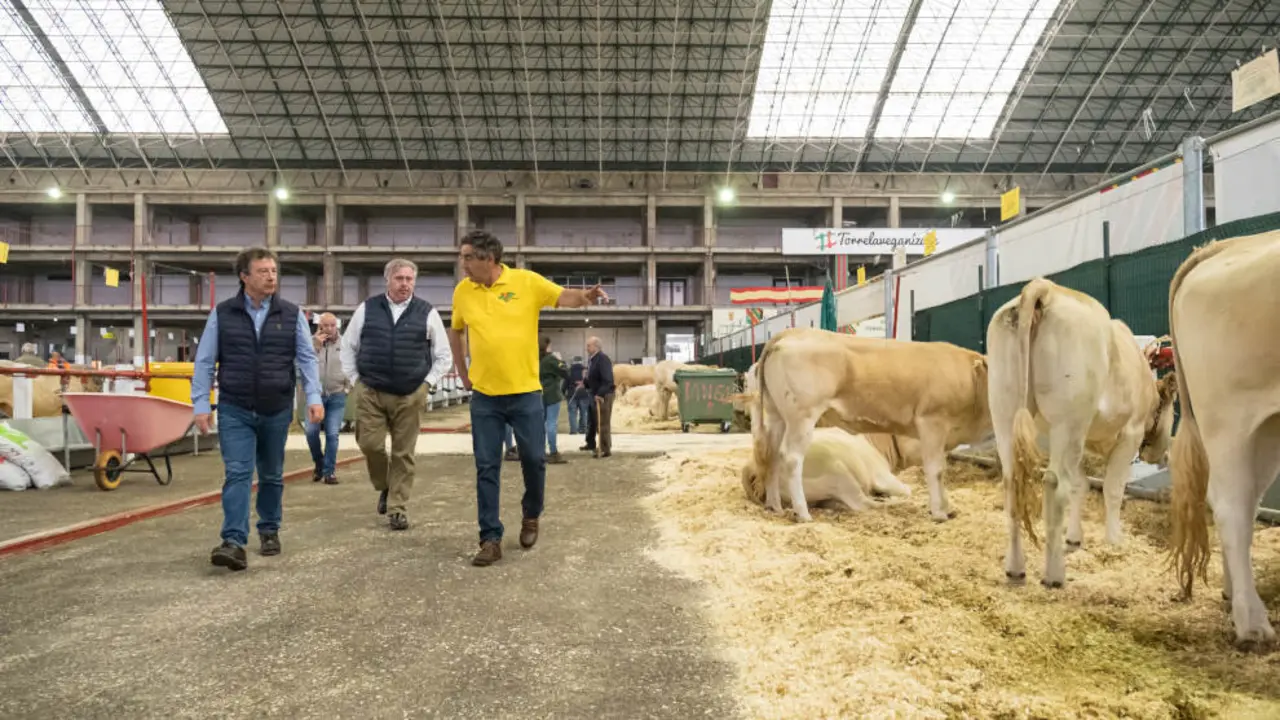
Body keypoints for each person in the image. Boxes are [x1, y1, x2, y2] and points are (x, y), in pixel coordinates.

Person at [448, 229, 607, 567]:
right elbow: (457, 330)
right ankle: (490, 538)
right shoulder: (463, 291)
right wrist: (462, 371)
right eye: (462, 257)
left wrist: (586, 296)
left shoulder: (525, 282)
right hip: (485, 397)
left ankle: (531, 515)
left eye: (468, 257)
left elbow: (562, 296)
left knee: (534, 460)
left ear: (489, 258)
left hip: (525, 394)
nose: (463, 264)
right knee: (486, 466)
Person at [192, 247, 323, 572]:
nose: (271, 277)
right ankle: (234, 541)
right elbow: (205, 361)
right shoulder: (222, 314)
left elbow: (306, 358)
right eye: (263, 271)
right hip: (235, 407)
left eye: (274, 271)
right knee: (238, 472)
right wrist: (201, 404)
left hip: (275, 407)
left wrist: (314, 397)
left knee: (271, 473)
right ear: (244, 276)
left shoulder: (291, 314)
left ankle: (269, 529)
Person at [341, 258, 453, 531]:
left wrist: (426, 386)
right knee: (370, 445)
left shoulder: (427, 312)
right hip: (371, 392)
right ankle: (385, 485)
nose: (405, 284)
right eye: (399, 278)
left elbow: (443, 356)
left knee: (403, 453)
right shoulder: (367, 309)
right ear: (388, 280)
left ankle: (397, 508)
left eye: (409, 279)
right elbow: (348, 347)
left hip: (409, 394)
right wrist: (356, 382)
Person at [306, 312, 349, 485]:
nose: (329, 329)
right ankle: (319, 463)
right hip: (315, 397)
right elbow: (302, 364)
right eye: (326, 325)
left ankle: (329, 472)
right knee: (311, 432)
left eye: (332, 325)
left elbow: (352, 365)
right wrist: (315, 347)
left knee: (332, 434)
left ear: (336, 326)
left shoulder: (345, 343)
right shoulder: (310, 343)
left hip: (337, 395)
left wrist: (347, 387)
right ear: (320, 326)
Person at [582, 336, 615, 458]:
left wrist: (600, 394)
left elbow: (608, 380)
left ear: (596, 346)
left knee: (603, 423)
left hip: (603, 395)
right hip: (595, 394)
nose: (586, 348)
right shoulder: (592, 359)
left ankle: (604, 449)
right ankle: (600, 446)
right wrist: (585, 382)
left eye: (588, 345)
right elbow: (593, 378)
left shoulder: (602, 359)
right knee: (597, 422)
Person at [539, 337, 569, 464]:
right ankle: (553, 452)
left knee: (541, 424)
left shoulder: (535, 359)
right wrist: (560, 360)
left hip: (539, 394)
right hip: (552, 394)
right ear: (547, 346)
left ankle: (540, 451)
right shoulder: (551, 359)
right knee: (551, 424)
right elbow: (565, 371)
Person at [566, 356, 589, 434]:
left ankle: (573, 430)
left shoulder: (569, 371)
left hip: (572, 394)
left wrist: (564, 393)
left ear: (573, 361)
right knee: (584, 413)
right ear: (581, 361)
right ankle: (583, 429)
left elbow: (565, 384)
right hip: (584, 394)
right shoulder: (586, 371)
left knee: (572, 413)